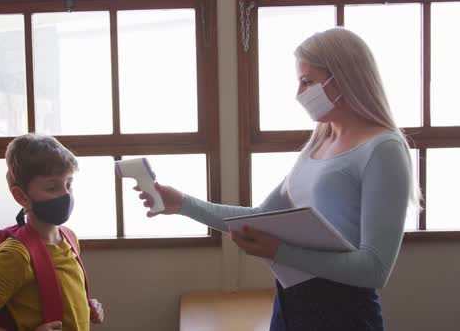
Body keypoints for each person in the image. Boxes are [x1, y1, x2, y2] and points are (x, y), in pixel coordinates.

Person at [137, 27, 416, 331]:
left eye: (307, 81)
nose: (299, 94)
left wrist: (281, 252)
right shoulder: (319, 142)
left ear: (343, 77)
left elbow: (374, 269)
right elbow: (260, 217)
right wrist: (181, 204)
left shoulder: (383, 149)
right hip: (289, 305)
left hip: (344, 314)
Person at [0, 133, 104, 331]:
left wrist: (84, 306)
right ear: (21, 196)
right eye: (52, 187)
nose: (65, 194)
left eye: (69, 184)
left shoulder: (69, 238)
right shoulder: (15, 255)